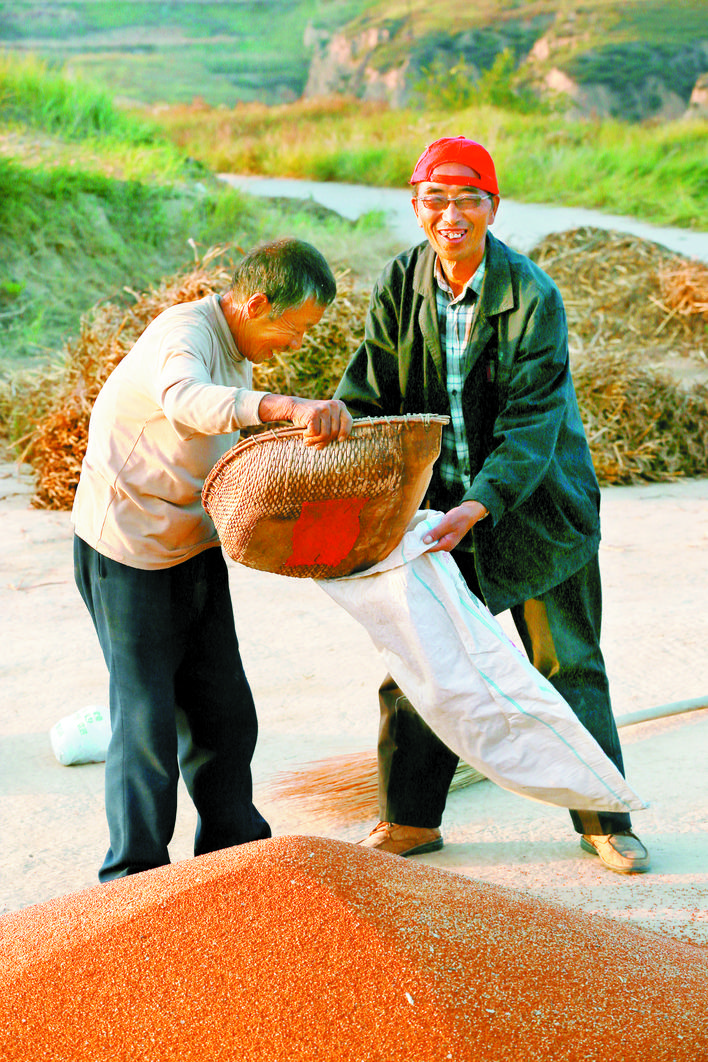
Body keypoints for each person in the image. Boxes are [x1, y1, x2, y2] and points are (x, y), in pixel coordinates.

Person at [334, 137, 650, 875]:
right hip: (435, 510)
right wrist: (337, 445)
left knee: (564, 661)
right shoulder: (401, 281)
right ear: (417, 207)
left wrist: (478, 506)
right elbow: (372, 386)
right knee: (422, 662)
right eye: (435, 199)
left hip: (535, 506)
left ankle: (606, 822)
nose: (451, 214)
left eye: (468, 198)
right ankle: (409, 821)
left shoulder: (532, 294)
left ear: (493, 207)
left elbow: (534, 424)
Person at [73, 237, 352, 882]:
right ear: (255, 304)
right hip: (130, 552)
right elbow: (183, 400)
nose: (297, 345)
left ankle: (233, 857)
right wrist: (284, 408)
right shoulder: (186, 333)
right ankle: (134, 879)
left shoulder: (239, 341)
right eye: (296, 330)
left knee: (225, 710)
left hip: (192, 545)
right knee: (146, 725)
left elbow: (226, 448)